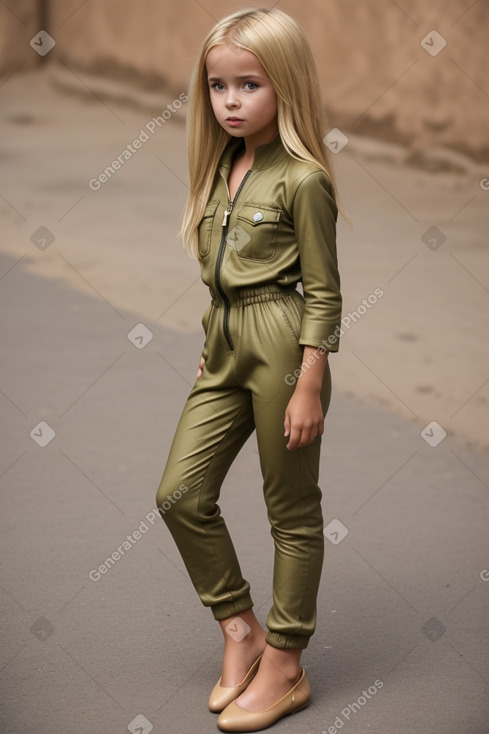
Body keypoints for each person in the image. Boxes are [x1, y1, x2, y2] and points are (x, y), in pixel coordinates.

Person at [156, 6, 345, 731]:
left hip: (281, 340)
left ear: (285, 87)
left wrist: (309, 382)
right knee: (179, 494)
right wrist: (212, 335)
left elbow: (324, 293)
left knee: (290, 511)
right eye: (216, 85)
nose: (229, 102)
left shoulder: (302, 181)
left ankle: (287, 661)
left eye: (248, 85)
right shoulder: (220, 170)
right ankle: (240, 629)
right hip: (226, 341)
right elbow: (220, 276)